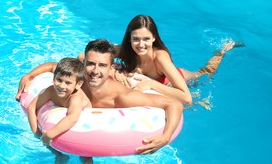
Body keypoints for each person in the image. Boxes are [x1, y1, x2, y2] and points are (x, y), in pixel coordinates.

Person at [16, 39, 183, 164]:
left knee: (86, 159)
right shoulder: (75, 80)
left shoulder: (122, 97)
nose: (95, 71)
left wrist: (165, 137)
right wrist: (28, 76)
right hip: (78, 120)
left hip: (108, 116)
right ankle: (63, 158)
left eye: (102, 65)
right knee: (82, 155)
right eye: (91, 64)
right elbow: (53, 66)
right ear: (84, 63)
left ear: (111, 68)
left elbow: (173, 104)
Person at [78, 15, 239, 106]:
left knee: (206, 72)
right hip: (157, 83)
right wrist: (113, 71)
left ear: (154, 38)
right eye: (136, 39)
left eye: (146, 39)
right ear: (129, 38)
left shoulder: (160, 57)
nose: (141, 45)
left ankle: (223, 50)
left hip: (179, 79)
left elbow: (186, 98)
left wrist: (151, 84)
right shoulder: (123, 49)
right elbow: (83, 57)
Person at [27, 57, 91, 164]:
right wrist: (37, 132)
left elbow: (72, 118)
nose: (61, 86)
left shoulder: (75, 98)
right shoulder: (51, 91)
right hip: (62, 123)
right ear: (54, 78)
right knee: (43, 138)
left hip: (85, 130)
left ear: (78, 84)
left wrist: (50, 134)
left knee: (86, 160)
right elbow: (32, 107)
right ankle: (59, 155)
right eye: (59, 80)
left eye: (68, 83)